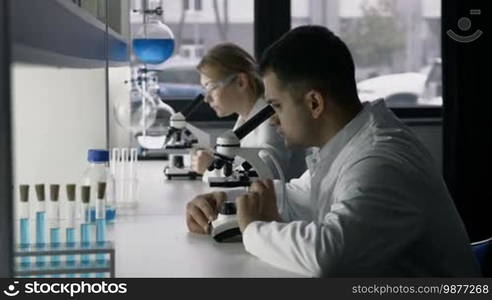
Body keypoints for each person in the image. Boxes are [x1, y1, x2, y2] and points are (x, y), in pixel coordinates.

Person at [185, 26, 480, 277]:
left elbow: (327, 255)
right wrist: (226, 202)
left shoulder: (380, 161)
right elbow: (296, 198)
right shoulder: (346, 144)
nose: (272, 118)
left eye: (276, 106)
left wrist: (252, 230)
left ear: (314, 103)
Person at [191, 42, 306, 181]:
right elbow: (242, 162)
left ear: (240, 82)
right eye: (205, 89)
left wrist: (212, 170)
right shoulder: (246, 118)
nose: (206, 98)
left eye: (211, 87)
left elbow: (268, 171)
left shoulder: (270, 117)